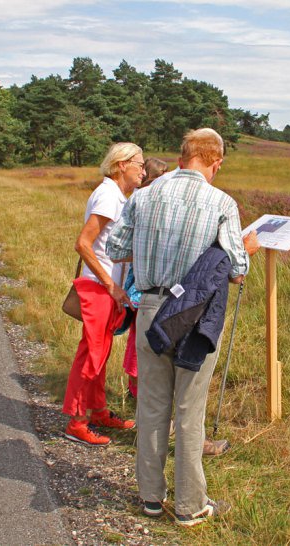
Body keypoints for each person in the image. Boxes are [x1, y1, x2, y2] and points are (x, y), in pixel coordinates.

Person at [107, 128, 259, 526]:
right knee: (191, 410)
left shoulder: (144, 195)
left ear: (181, 157)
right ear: (216, 162)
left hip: (151, 306)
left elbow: (115, 248)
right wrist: (244, 249)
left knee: (152, 404)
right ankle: (191, 505)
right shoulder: (221, 202)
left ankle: (150, 498)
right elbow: (238, 267)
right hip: (194, 313)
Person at [62, 142, 145, 446]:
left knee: (101, 352)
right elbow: (83, 243)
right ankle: (77, 420)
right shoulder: (108, 196)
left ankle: (97, 411)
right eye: (139, 164)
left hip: (107, 291)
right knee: (91, 355)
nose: (143, 170)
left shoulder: (116, 196)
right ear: (122, 164)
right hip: (99, 290)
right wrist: (111, 285)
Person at [122, 157, 168, 399]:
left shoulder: (145, 202)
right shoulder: (144, 203)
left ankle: (138, 391)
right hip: (143, 288)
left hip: (142, 287)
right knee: (141, 342)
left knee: (142, 340)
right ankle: (137, 391)